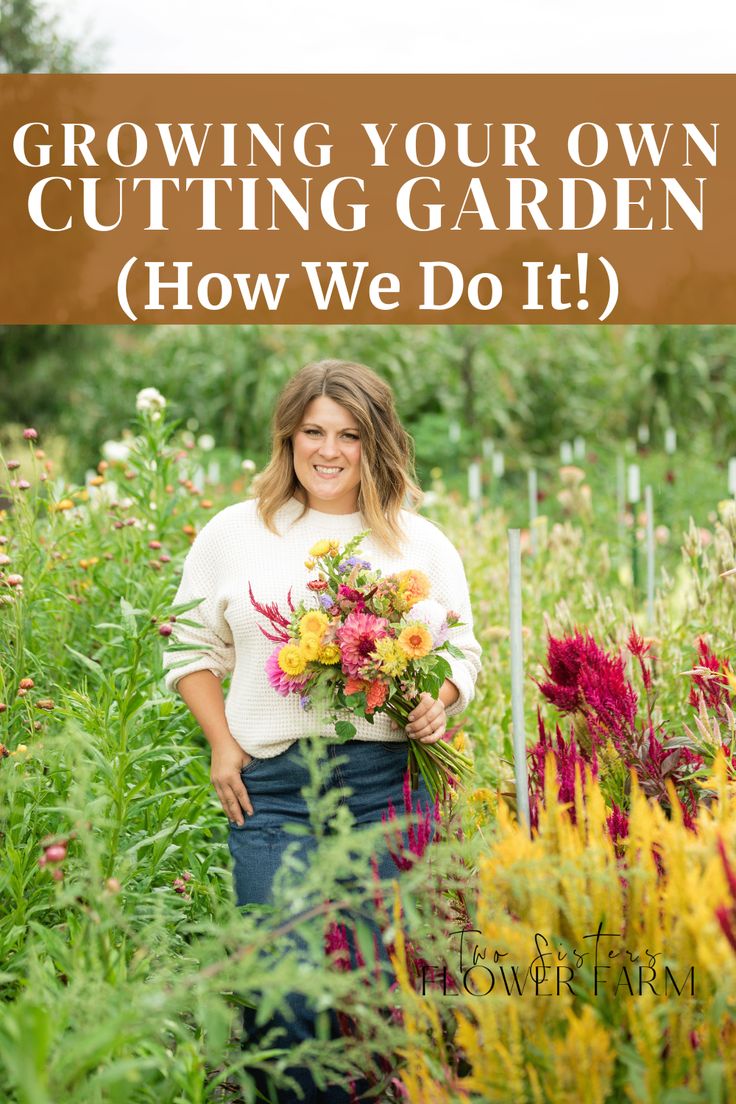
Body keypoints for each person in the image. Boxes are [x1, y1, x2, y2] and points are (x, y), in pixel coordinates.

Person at [162, 358, 482, 1103]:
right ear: (289, 436)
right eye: (313, 431)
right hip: (272, 790)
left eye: (348, 434)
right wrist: (221, 743)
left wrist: (444, 698)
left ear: (377, 443)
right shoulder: (235, 532)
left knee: (377, 996)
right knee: (288, 997)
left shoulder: (419, 542)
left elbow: (462, 650)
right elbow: (187, 648)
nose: (329, 450)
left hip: (387, 789)